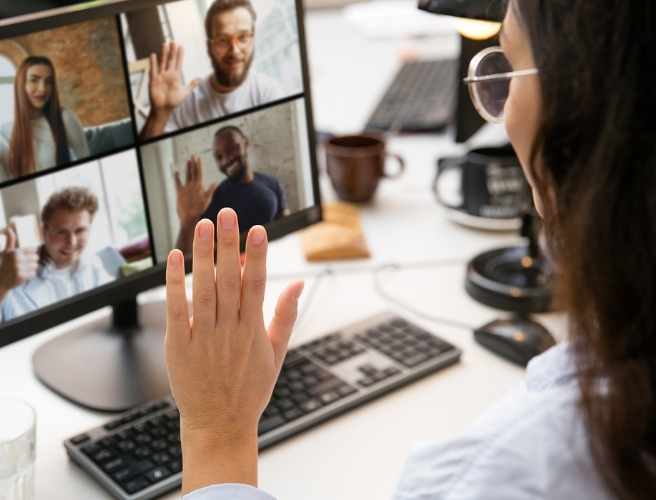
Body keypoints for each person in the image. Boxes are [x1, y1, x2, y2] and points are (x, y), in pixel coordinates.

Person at [162, 0, 656, 499]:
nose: (502, 112)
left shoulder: (497, 475)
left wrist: (216, 433)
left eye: (508, 62)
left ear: (579, 106)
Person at [0, 187, 123, 337]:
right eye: (61, 232)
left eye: (80, 230)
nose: (71, 242)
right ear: (44, 232)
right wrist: (0, 283)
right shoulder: (6, 274)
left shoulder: (92, 264)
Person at [139, 0, 285, 140]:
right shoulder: (184, 104)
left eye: (243, 37)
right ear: (209, 48)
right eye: (223, 40)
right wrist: (159, 113)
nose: (234, 51)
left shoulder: (268, 92)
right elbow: (146, 155)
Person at [0, 55, 90, 185]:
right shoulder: (3, 132)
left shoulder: (64, 117)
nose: (43, 89)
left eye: (48, 82)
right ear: (21, 85)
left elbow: (84, 158)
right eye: (34, 80)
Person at [172, 125, 288, 253]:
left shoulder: (273, 184)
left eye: (232, 148)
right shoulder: (211, 200)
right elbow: (189, 260)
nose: (227, 160)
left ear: (246, 143)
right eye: (219, 157)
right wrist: (188, 222)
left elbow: (288, 229)